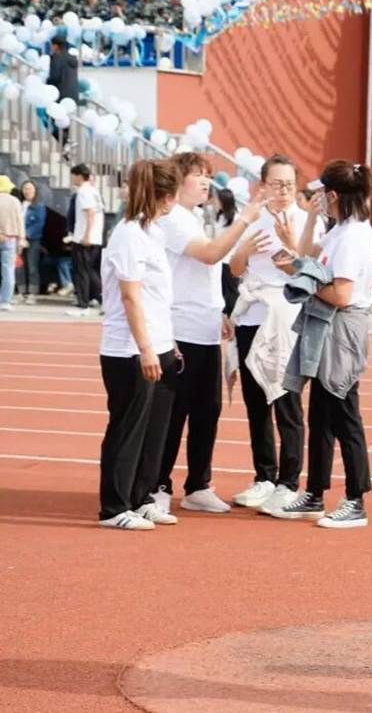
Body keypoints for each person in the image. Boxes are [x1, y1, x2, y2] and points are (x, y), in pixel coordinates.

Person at [270, 160, 372, 528]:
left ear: (332, 195)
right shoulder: (340, 229)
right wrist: (311, 222)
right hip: (327, 325)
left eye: (320, 195)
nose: (316, 198)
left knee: (344, 412)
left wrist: (303, 279)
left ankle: (356, 500)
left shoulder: (353, 235)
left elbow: (342, 295)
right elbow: (307, 255)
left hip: (341, 327)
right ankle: (314, 492)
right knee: (320, 412)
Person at [152, 153, 259, 516]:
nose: (205, 181)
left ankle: (198, 484)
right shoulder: (172, 219)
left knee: (206, 411)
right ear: (177, 181)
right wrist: (245, 220)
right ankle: (157, 485)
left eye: (207, 175)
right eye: (197, 175)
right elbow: (211, 255)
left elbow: (207, 273)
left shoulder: (195, 217)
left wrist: (221, 312)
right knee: (174, 412)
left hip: (206, 329)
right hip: (180, 329)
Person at [228, 155, 321, 515]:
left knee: (286, 402)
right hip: (252, 317)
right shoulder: (251, 219)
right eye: (276, 184)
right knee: (256, 403)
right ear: (262, 185)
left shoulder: (308, 221)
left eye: (289, 185)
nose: (283, 191)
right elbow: (235, 269)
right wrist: (244, 250)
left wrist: (292, 244)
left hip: (287, 321)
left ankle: (288, 482)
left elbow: (313, 273)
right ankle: (264, 477)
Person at [96, 159, 181, 530]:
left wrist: (166, 341)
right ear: (166, 197)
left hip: (155, 342)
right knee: (128, 427)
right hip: (128, 348)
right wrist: (146, 348)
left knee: (152, 429)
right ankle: (114, 507)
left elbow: (156, 297)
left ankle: (141, 497)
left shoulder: (151, 232)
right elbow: (131, 296)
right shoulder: (129, 234)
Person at [67, 164, 104, 318]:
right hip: (95, 238)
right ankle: (103, 299)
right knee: (90, 271)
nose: (71, 178)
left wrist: (87, 235)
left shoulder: (83, 192)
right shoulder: (94, 191)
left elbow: (90, 213)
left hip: (85, 238)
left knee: (81, 271)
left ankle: (83, 305)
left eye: (73, 175)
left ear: (79, 176)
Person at [45, 34, 77, 148]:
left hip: (59, 93)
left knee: (51, 118)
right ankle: (67, 143)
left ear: (56, 46)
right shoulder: (72, 58)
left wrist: (46, 85)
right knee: (65, 120)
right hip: (71, 95)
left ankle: (64, 142)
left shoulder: (56, 57)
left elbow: (54, 76)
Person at [19, 181, 47, 304]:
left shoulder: (39, 206)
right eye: (25, 188)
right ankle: (21, 292)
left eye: (30, 188)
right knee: (19, 266)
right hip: (19, 239)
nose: (27, 191)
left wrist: (26, 234)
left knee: (32, 266)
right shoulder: (20, 204)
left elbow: (39, 223)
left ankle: (32, 293)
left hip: (33, 239)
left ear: (35, 191)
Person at [0, 175, 24, 312]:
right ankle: (5, 301)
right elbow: (20, 222)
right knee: (8, 271)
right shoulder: (15, 201)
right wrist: (21, 239)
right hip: (10, 239)